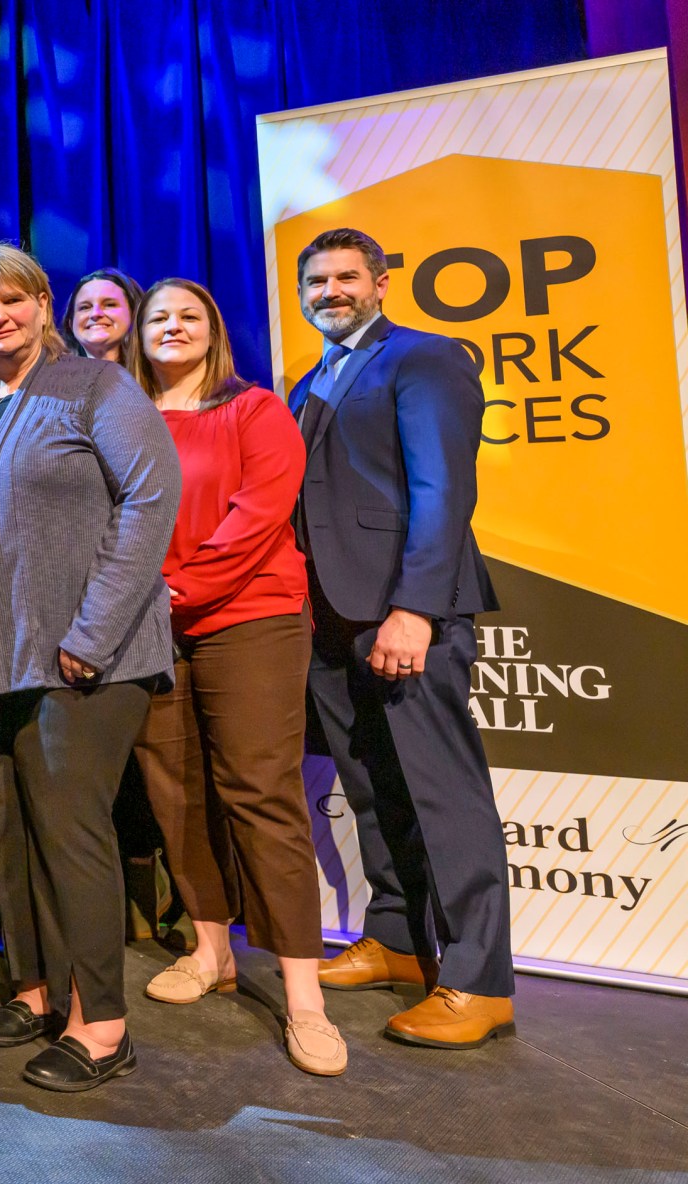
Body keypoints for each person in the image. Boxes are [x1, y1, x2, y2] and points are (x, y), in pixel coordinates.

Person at [0, 243, 179, 1093]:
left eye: (11, 300)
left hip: (81, 662)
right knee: (1, 826)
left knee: (70, 833)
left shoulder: (99, 388)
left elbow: (149, 503)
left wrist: (93, 633)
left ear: (41, 302)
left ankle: (102, 1025)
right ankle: (35, 988)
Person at [288, 228, 513, 1048]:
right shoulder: (313, 380)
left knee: (443, 795)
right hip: (332, 620)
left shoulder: (425, 358)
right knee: (373, 787)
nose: (331, 290)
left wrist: (414, 609)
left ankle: (479, 981)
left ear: (380, 283)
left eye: (348, 277)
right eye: (317, 280)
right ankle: (396, 940)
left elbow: (444, 490)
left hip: (407, 615)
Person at [124, 278, 344, 1076]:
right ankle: (211, 948)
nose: (173, 327)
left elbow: (260, 512)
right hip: (147, 628)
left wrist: (178, 590)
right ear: (137, 335)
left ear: (212, 332)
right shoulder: (124, 416)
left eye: (189, 317)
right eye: (159, 318)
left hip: (248, 617)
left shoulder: (255, 410)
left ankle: (303, 996)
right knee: (174, 788)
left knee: (260, 792)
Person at [58, 268, 144, 364]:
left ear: (134, 314)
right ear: (70, 323)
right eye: (85, 307)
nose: (95, 314)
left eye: (109, 305)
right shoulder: (52, 376)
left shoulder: (156, 375)